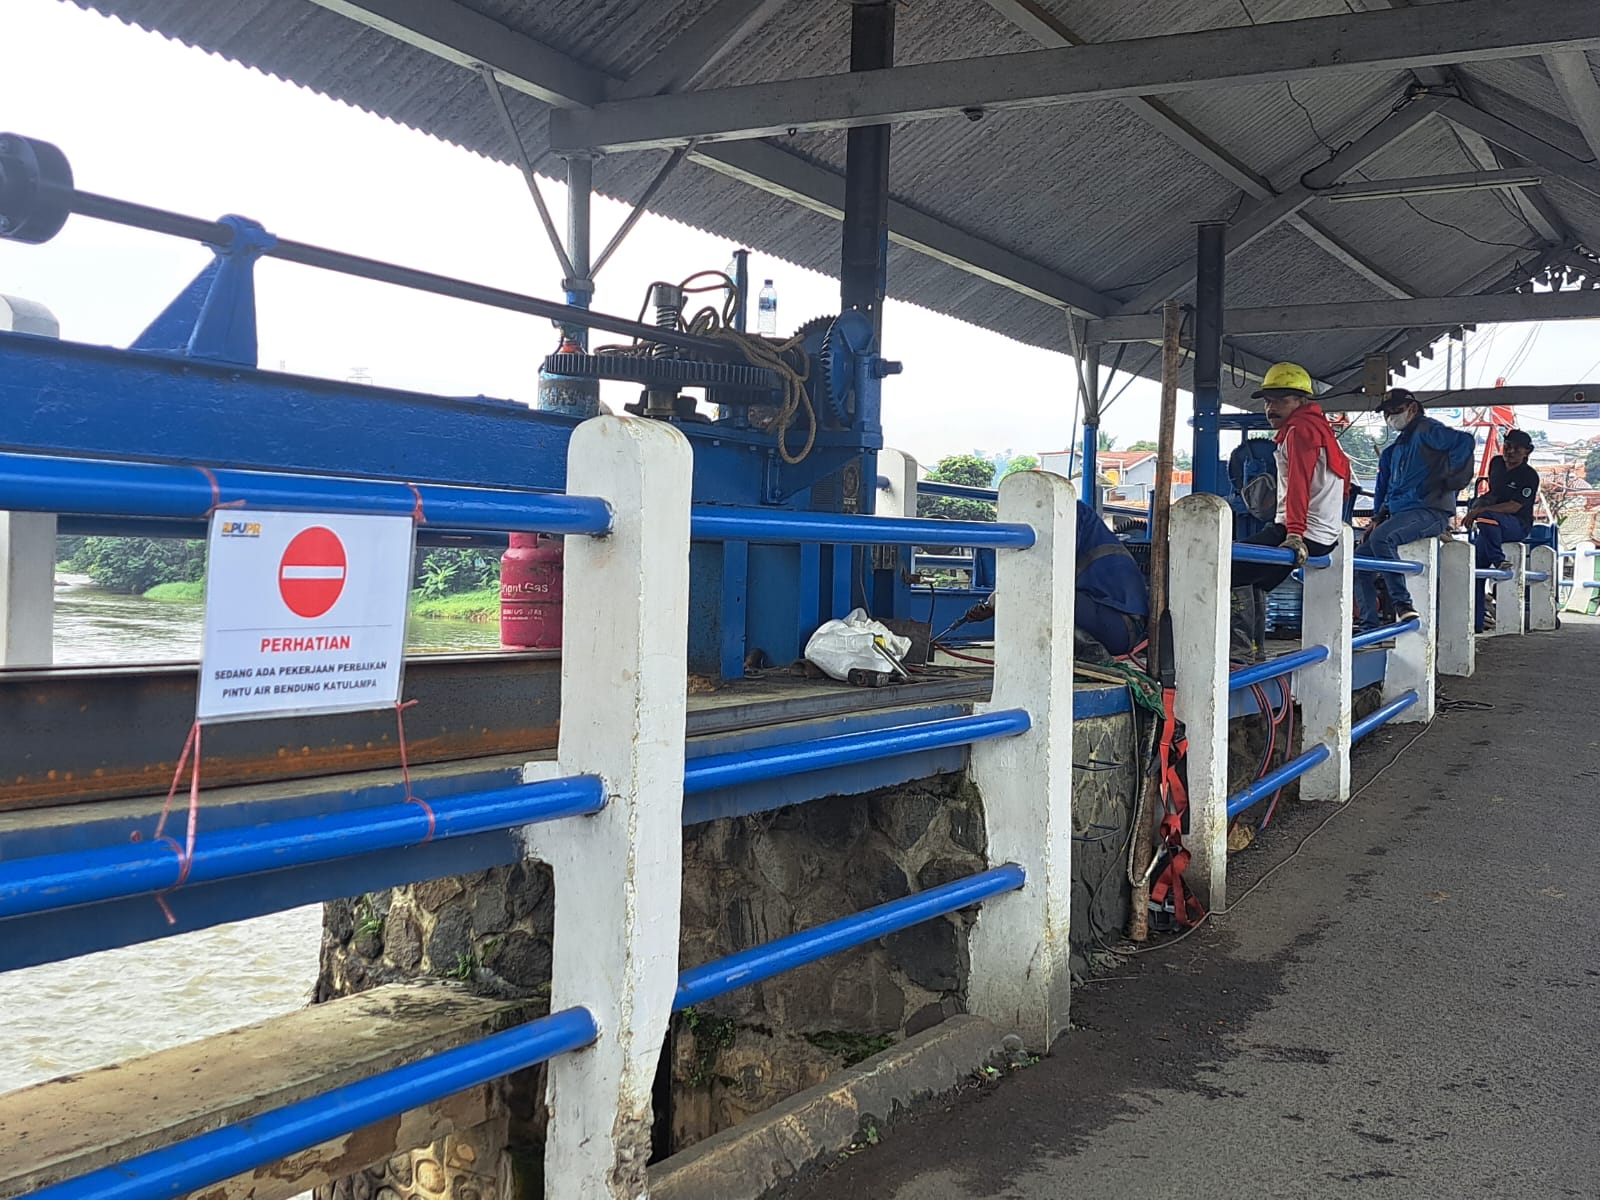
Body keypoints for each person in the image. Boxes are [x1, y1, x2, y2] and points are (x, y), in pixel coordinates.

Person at [1229, 362, 1352, 660]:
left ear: (1301, 401)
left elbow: (1299, 482)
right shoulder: (1320, 429)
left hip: (1300, 532)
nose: (1272, 408)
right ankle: (1251, 651)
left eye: (1282, 400)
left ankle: (1239, 654)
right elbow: (1346, 480)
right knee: (1253, 578)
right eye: (1269, 401)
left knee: (1224, 567)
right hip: (1323, 534)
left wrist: (1295, 533)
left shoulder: (1299, 431)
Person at [962, 500, 1148, 658]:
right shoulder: (1085, 533)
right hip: (1120, 628)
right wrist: (994, 603)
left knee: (1042, 594)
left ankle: (1091, 655)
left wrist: (995, 602)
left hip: (1121, 629)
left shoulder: (1069, 520)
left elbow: (1037, 581)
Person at [1355, 387, 1475, 632]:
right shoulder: (1396, 449)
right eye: (1387, 412)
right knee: (1359, 563)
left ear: (1412, 409)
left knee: (1382, 539)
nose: (1390, 416)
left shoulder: (1426, 430)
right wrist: (1377, 517)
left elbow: (1464, 441)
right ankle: (1369, 627)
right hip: (1403, 513)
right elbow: (1392, 489)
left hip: (1430, 511)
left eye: (1395, 410)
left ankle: (1403, 604)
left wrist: (1450, 480)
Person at [1466, 428, 1538, 630]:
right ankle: (1476, 624)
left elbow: (1515, 506)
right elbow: (1494, 493)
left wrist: (1479, 511)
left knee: (1486, 516)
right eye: (1507, 446)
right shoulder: (1496, 464)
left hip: (1516, 525)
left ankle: (1498, 560)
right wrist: (1477, 504)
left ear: (1527, 452)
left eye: (1517, 448)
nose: (1511, 451)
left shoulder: (1529, 476)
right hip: (1491, 529)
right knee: (1475, 572)